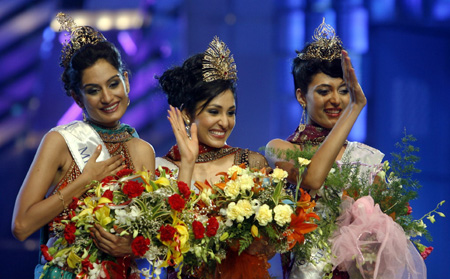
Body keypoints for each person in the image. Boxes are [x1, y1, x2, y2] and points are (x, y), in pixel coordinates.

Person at [11, 13, 155, 279]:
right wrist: (84, 181)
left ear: (126, 80)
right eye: (93, 90)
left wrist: (132, 247)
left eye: (113, 84)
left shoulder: (142, 150)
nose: (108, 97)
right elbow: (21, 226)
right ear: (78, 97)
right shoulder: (60, 142)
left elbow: (149, 236)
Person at [265, 19, 385, 279]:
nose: (336, 100)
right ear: (300, 97)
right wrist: (354, 108)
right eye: (323, 91)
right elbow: (314, 177)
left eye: (344, 91)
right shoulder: (281, 149)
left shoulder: (366, 158)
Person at [156, 36, 274, 279]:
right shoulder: (163, 170)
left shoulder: (249, 163)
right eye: (214, 111)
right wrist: (188, 163)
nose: (224, 122)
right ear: (187, 113)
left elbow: (270, 248)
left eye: (231, 112)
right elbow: (165, 247)